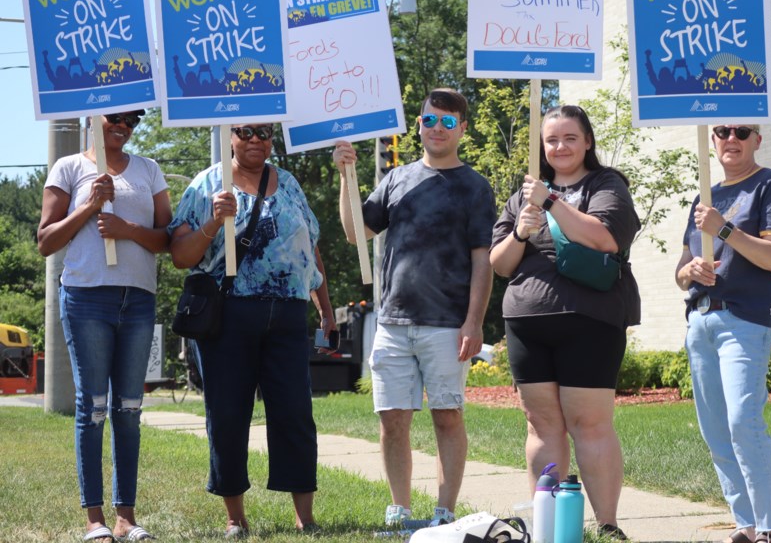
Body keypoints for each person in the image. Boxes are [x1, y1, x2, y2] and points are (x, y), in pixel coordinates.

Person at [332, 88, 496, 527]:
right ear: (419, 125)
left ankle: (444, 512)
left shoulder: (476, 187)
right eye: (429, 121)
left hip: (447, 325)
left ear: (462, 128)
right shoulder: (396, 178)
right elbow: (355, 232)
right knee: (393, 421)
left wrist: (474, 321)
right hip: (393, 322)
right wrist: (347, 177)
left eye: (447, 122)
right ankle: (399, 509)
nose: (437, 129)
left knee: (447, 416)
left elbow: (484, 260)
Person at [168, 123, 335, 538]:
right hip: (230, 316)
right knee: (227, 415)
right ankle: (235, 517)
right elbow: (180, 255)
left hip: (290, 315)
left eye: (265, 132)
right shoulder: (207, 183)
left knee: (295, 413)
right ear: (230, 136)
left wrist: (325, 310)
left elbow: (310, 249)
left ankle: (305, 516)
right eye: (246, 132)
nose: (256, 139)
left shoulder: (290, 184)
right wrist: (212, 221)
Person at [489, 105, 640, 540]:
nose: (560, 146)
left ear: (587, 141)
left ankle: (607, 524)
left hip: (589, 320)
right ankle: (550, 523)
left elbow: (605, 237)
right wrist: (520, 231)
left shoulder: (605, 184)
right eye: (551, 139)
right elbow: (500, 264)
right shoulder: (521, 195)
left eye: (570, 138)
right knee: (541, 424)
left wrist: (551, 201)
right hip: (526, 321)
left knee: (589, 423)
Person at [37, 110, 172, 542]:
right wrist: (91, 207)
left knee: (129, 410)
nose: (124, 125)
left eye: (132, 120)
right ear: (95, 117)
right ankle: (94, 519)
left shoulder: (149, 170)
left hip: (137, 300)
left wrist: (127, 228)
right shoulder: (69, 167)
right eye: (116, 116)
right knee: (93, 407)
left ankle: (126, 517)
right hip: (86, 297)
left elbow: (166, 239)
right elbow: (46, 241)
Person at [674, 124, 771, 543]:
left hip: (744, 321)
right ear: (712, 141)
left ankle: (769, 528)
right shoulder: (704, 197)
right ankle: (745, 524)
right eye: (723, 131)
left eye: (742, 131)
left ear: (757, 140)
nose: (732, 138)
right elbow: (681, 268)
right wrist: (688, 271)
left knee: (743, 421)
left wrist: (723, 229)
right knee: (715, 430)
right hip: (701, 321)